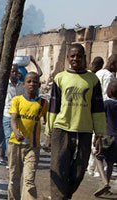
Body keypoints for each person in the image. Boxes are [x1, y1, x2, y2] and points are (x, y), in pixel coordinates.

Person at [46, 43, 106, 200]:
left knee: (79, 171)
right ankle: (59, 198)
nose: (75, 59)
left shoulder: (92, 80)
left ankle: (65, 196)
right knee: (58, 169)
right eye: (72, 56)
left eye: (79, 56)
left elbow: (98, 109)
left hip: (84, 131)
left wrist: (99, 135)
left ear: (84, 58)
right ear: (67, 58)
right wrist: (48, 132)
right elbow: (53, 107)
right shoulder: (60, 78)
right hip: (61, 129)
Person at [7, 72, 48, 200]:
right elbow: (13, 120)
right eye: (29, 81)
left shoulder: (43, 104)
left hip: (33, 146)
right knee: (14, 178)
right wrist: (16, 131)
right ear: (24, 84)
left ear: (39, 85)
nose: (32, 84)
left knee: (29, 180)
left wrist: (48, 136)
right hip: (15, 145)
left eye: (35, 82)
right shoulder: (17, 100)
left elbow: (46, 121)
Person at [93, 80, 117, 197]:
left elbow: (100, 120)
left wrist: (96, 137)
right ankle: (107, 188)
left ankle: (104, 181)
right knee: (111, 162)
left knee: (98, 157)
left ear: (108, 91)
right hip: (116, 138)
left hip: (106, 135)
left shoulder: (106, 104)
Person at [0, 64, 25, 165]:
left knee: (15, 137)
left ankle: (10, 157)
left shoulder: (21, 85)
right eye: (12, 72)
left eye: (16, 72)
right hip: (7, 114)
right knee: (8, 137)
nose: (15, 74)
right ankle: (11, 160)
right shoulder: (5, 85)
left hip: (19, 116)